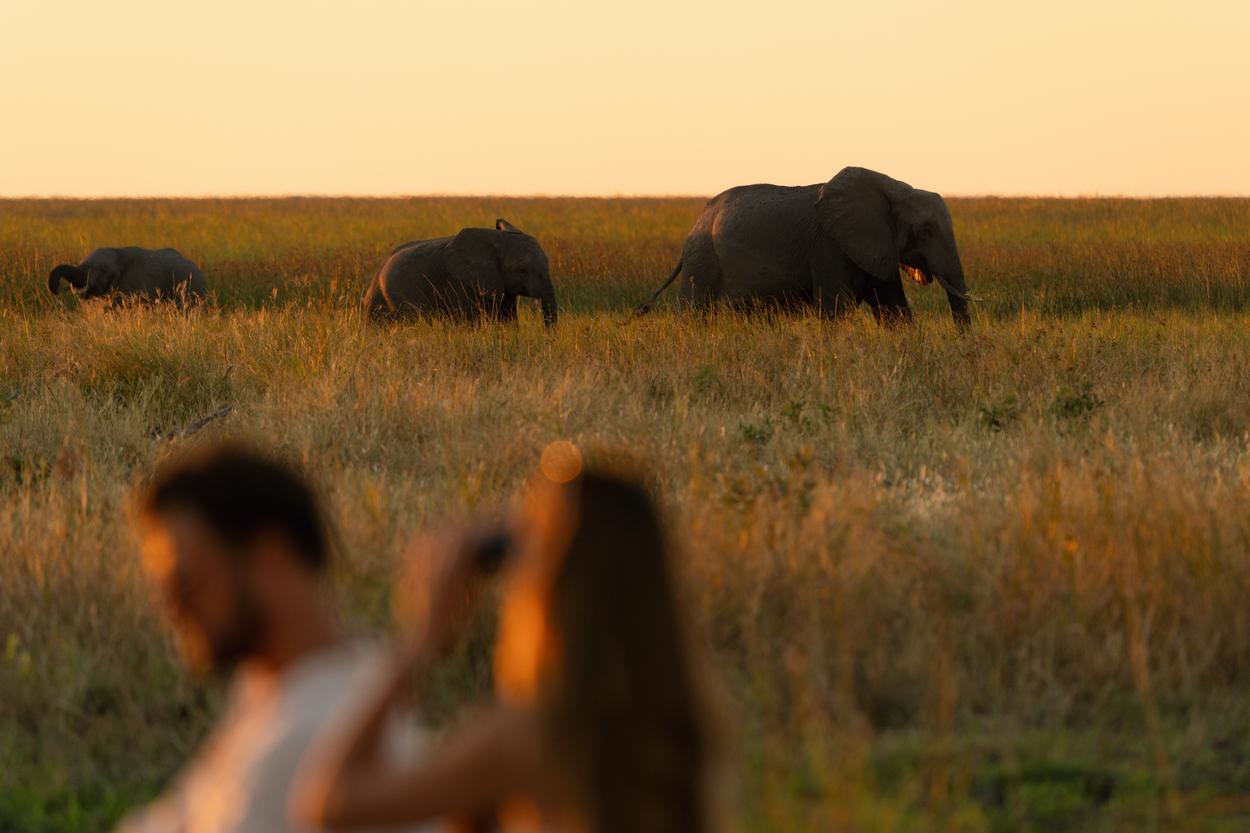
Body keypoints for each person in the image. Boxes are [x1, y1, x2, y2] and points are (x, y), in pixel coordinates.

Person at [293, 453, 719, 833]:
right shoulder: (676, 727)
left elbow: (331, 801)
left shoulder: (524, 737)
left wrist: (422, 639)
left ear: (552, 587)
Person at [119, 443, 430, 833]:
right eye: (165, 591)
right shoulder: (276, 686)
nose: (171, 609)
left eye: (188, 585)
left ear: (272, 559)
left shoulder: (303, 740)